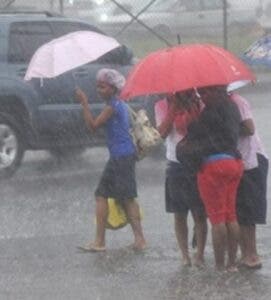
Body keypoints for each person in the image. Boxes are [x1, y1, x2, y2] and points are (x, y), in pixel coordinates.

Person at [76, 68, 146, 252]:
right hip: (122, 156)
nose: (99, 90)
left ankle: (101, 241)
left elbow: (92, 126)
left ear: (113, 88)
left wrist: (84, 103)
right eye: (98, 87)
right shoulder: (119, 103)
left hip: (121, 157)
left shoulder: (112, 106)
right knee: (125, 198)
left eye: (103, 87)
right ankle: (138, 239)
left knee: (106, 195)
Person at [177, 86, 243, 271]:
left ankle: (220, 264)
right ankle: (232, 264)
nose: (202, 96)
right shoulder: (232, 107)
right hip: (234, 163)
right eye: (202, 93)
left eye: (206, 92)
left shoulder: (209, 113)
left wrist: (193, 113)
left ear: (218, 91)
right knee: (231, 216)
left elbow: (193, 134)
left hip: (213, 166)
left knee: (217, 219)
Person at [155, 91, 207, 267]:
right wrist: (173, 109)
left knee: (199, 213)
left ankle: (199, 253)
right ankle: (184, 255)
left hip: (197, 162)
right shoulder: (161, 105)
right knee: (179, 213)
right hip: (175, 163)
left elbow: (203, 130)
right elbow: (161, 133)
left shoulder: (198, 103)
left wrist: (192, 108)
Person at [230, 92, 269, 269]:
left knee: (248, 210)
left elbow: (249, 128)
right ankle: (245, 253)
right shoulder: (218, 103)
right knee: (238, 210)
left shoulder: (237, 102)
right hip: (238, 161)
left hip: (252, 160)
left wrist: (226, 126)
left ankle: (251, 254)